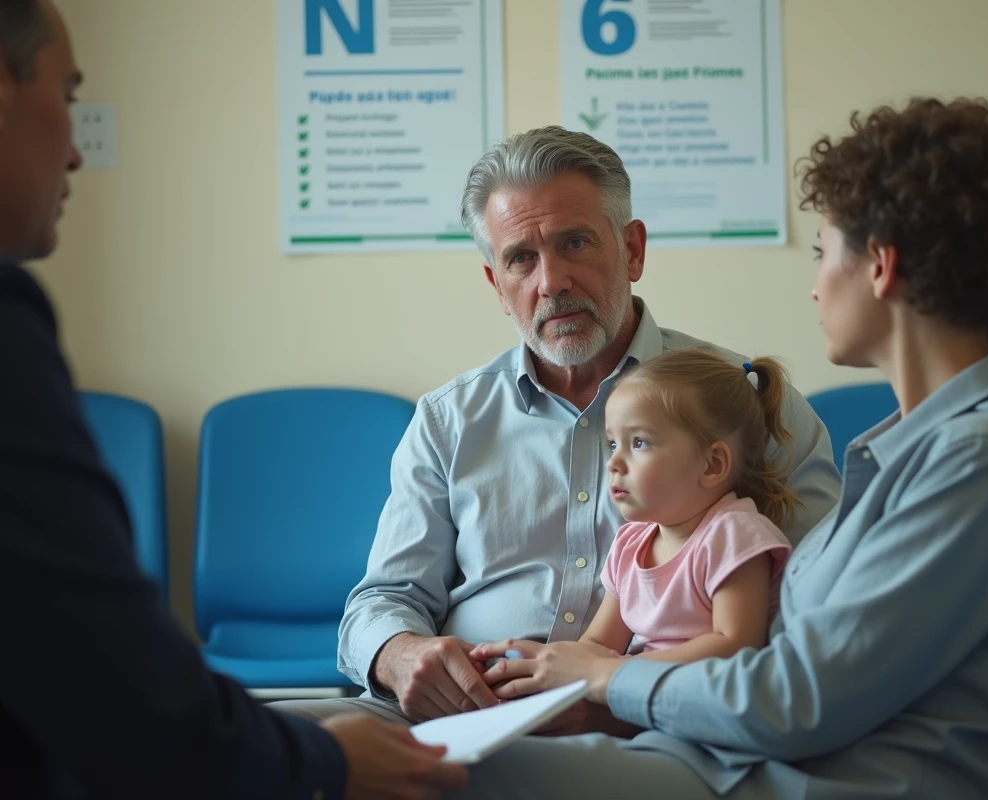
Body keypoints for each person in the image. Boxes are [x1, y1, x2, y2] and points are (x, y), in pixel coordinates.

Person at [464, 97, 988, 799]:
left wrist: (602, 677)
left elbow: (799, 700)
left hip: (799, 779)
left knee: (430, 775)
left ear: (880, 265)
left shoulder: (980, 457)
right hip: (733, 755)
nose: (815, 284)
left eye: (824, 253)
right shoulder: (931, 444)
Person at [0, 1, 467, 797]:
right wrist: (330, 755)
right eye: (69, 96)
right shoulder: (452, 417)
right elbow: (106, 672)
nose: (78, 151)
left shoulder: (713, 400)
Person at [275, 127, 841, 729]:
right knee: (248, 753)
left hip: (655, 723)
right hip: (457, 717)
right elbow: (383, 600)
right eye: (521, 258)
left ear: (634, 251)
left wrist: (624, 697)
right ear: (497, 283)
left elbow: (819, 616)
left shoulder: (742, 402)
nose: (552, 282)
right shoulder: (447, 420)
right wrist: (402, 656)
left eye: (575, 243)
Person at [487, 347, 795, 678]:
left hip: (708, 712)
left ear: (712, 464)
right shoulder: (630, 543)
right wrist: (541, 666)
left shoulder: (735, 535)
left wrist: (613, 671)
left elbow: (736, 645)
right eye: (612, 444)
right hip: (633, 701)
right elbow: (598, 644)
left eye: (639, 443)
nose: (614, 464)